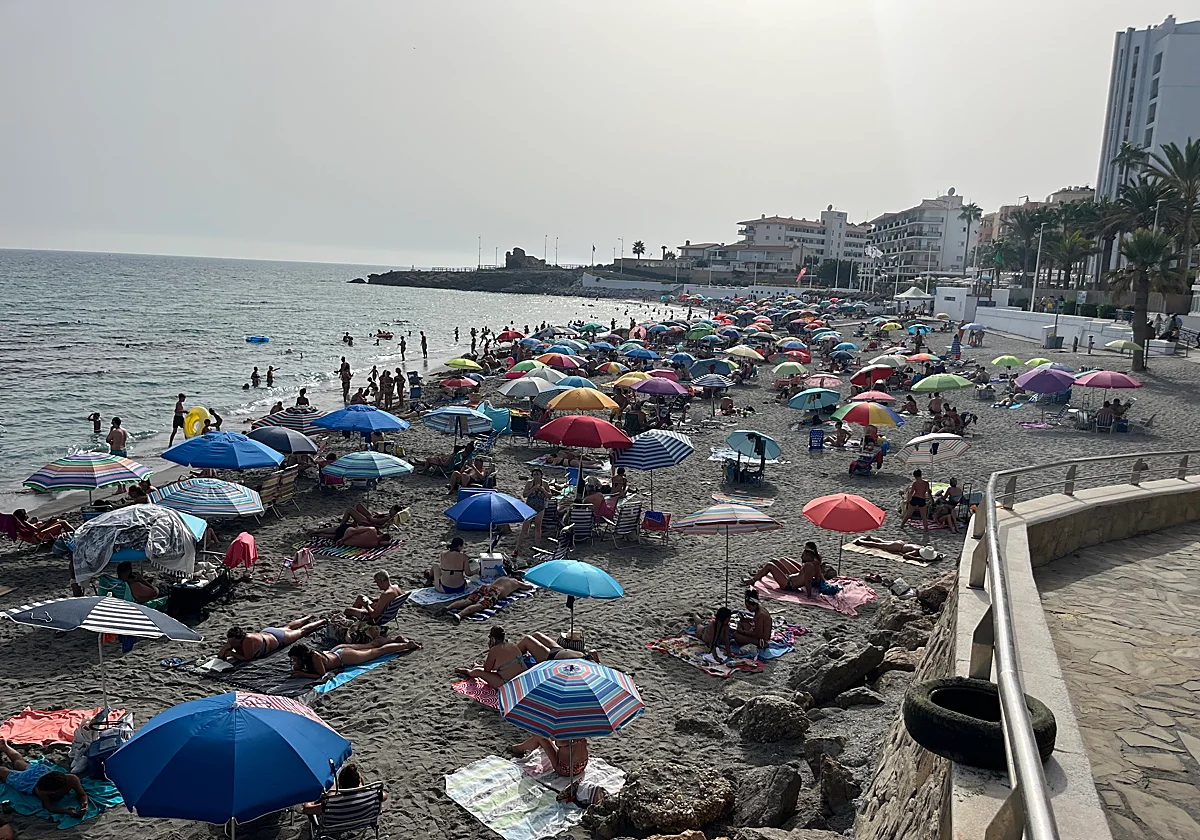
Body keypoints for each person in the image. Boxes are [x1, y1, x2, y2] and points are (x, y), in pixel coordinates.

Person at [0, 741, 88, 817]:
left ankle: (5, 747)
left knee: (19, 763)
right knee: (5, 770)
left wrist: (84, 805)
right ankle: (5, 747)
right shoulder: (42, 789)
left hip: (39, 771)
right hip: (28, 780)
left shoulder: (72, 779)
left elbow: (82, 795)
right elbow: (48, 806)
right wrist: (66, 811)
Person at [289, 636, 422, 679]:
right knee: (370, 645)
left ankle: (406, 645)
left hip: (344, 657)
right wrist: (298, 668)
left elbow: (321, 674)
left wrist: (301, 673)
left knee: (377, 652)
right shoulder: (310, 656)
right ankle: (394, 639)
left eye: (295, 659)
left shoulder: (313, 657)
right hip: (337, 651)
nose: (294, 662)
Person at [219, 616, 327, 661]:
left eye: (233, 642)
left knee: (301, 631)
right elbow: (220, 656)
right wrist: (225, 648)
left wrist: (232, 653)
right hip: (267, 633)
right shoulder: (234, 639)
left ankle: (321, 621)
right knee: (287, 627)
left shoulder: (248, 640)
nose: (231, 643)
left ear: (240, 638)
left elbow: (249, 658)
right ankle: (307, 617)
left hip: (277, 638)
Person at [455, 626, 527, 688]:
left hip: (508, 683)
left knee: (479, 672)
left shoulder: (494, 650)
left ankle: (468, 672)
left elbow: (487, 669)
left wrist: (491, 649)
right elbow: (503, 664)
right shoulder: (511, 644)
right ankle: (476, 667)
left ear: (493, 638)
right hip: (523, 677)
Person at [441, 576, 533, 622]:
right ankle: (460, 615)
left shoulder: (503, 578)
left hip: (486, 587)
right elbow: (528, 587)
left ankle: (448, 607)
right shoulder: (516, 582)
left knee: (468, 600)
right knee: (480, 605)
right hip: (495, 591)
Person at [746, 545, 824, 594]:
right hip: (790, 579)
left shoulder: (809, 566)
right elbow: (817, 578)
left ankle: (753, 580)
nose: (801, 557)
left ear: (809, 556)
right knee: (774, 561)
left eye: (803, 555)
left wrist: (809, 596)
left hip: (788, 585)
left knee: (770, 565)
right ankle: (758, 575)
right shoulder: (815, 566)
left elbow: (808, 582)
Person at [518, 631, 600, 663]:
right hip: (560, 650)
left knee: (527, 640)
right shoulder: (595, 666)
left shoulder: (585, 669)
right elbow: (593, 652)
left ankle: (509, 657)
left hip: (550, 658)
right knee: (536, 635)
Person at [519, 469, 549, 547]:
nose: (536, 476)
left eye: (537, 474)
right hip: (529, 507)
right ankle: (517, 547)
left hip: (540, 507)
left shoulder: (545, 484)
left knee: (538, 527)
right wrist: (532, 489)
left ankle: (537, 545)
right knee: (524, 528)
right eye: (534, 475)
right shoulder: (529, 483)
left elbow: (549, 496)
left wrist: (543, 490)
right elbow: (524, 495)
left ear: (541, 475)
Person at [855, 536, 939, 563]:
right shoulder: (916, 551)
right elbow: (906, 555)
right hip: (898, 547)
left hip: (901, 543)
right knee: (878, 545)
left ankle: (871, 538)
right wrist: (916, 558)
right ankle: (861, 541)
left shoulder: (921, 548)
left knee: (883, 542)